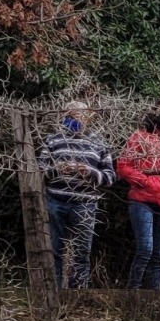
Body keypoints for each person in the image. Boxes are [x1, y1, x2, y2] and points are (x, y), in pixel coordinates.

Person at [39, 101, 115, 289]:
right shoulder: (53, 140)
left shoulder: (97, 143)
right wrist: (57, 170)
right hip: (56, 200)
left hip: (85, 204)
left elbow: (110, 177)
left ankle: (78, 293)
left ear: (88, 118)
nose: (74, 120)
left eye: (78, 116)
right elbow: (40, 170)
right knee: (55, 249)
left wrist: (90, 172)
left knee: (82, 251)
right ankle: (54, 292)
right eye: (70, 116)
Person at [117, 99, 160, 290]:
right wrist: (146, 181)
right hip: (142, 199)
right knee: (146, 249)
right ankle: (133, 291)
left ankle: (155, 296)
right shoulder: (140, 136)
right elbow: (124, 165)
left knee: (158, 254)